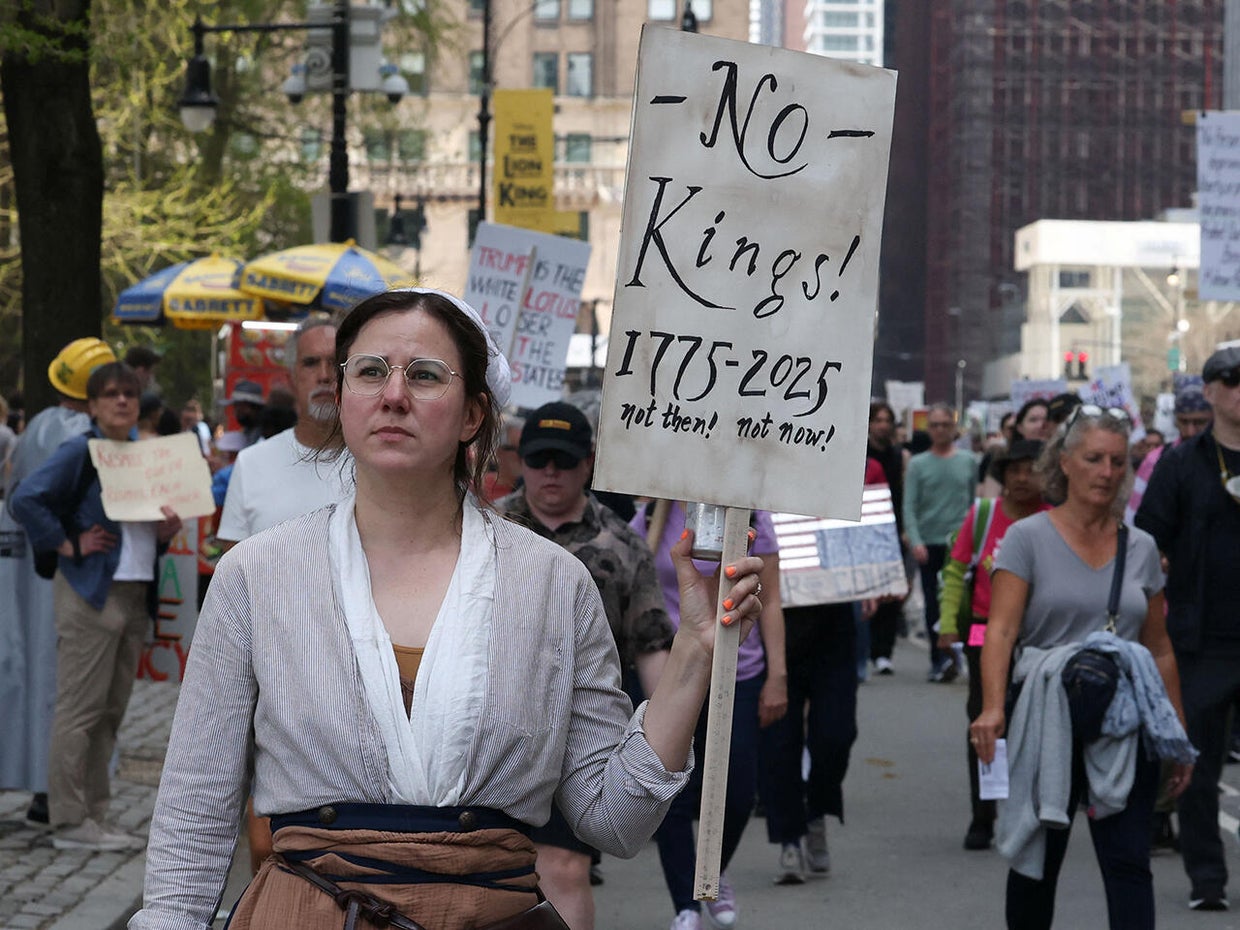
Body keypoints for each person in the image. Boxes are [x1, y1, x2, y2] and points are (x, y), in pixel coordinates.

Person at [130, 287, 764, 930]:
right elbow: (196, 813)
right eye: (370, 372)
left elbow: (615, 820)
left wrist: (695, 651)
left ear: (472, 415)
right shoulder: (258, 576)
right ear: (343, 398)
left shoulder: (553, 584)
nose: (393, 394)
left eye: (426, 375)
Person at [972, 405, 1195, 930]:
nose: (1107, 472)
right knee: (1037, 861)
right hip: (1047, 715)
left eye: (1118, 461)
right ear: (1065, 462)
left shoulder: (1140, 548)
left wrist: (1177, 732)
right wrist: (992, 708)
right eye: (1094, 458)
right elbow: (1000, 632)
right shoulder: (1027, 538)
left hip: (1125, 723)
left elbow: (1159, 647)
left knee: (1128, 864)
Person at [497, 401, 675, 930]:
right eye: (539, 459)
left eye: (564, 461)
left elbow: (651, 645)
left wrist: (663, 735)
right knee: (493, 874)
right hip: (490, 731)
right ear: (519, 461)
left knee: (564, 868)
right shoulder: (482, 531)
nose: (551, 472)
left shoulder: (622, 546)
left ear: (589, 462)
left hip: (578, 735)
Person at [11, 361, 183, 852]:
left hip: (134, 591)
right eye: (110, 394)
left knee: (109, 713)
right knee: (79, 711)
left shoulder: (140, 456)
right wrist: (68, 544)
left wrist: (165, 533)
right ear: (93, 405)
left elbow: (141, 532)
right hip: (90, 591)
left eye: (129, 393)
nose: (122, 401)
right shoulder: (81, 451)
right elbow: (25, 499)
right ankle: (68, 821)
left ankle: (96, 816)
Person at [633, 500, 786, 929]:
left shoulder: (754, 513)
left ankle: (712, 869)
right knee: (670, 793)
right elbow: (633, 587)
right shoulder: (652, 513)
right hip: (673, 673)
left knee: (739, 791)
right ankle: (685, 901)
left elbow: (770, 600)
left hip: (741, 669)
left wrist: (779, 675)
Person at [1136, 345, 1240, 912]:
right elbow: (1149, 544)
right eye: (1231, 379)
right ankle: (1207, 880)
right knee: (1196, 767)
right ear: (1212, 390)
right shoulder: (1180, 464)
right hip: (1201, 640)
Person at [0, 337, 116, 829]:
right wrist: (71, 542)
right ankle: (63, 796)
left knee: (43, 681)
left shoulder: (38, 428)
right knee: (75, 690)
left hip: (35, 571)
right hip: (74, 574)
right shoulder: (81, 434)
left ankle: (43, 788)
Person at [937, 439, 1049, 851]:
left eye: (1031, 468)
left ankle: (1030, 808)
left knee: (1035, 725)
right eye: (1014, 469)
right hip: (984, 630)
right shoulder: (983, 515)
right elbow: (955, 571)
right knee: (984, 719)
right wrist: (948, 625)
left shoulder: (1054, 520)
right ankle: (983, 816)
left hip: (1038, 636)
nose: (1022, 477)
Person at [217, 318, 346, 551]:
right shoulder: (251, 463)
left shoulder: (380, 465)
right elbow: (233, 574)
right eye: (310, 363)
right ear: (291, 380)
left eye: (336, 363)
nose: (325, 375)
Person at [903, 403, 977, 681]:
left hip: (960, 542)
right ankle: (939, 660)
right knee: (934, 603)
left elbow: (973, 504)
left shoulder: (969, 461)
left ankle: (969, 655)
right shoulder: (918, 464)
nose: (940, 430)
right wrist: (916, 541)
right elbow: (909, 506)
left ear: (954, 428)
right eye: (934, 425)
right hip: (928, 543)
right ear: (928, 429)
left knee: (963, 602)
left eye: (945, 424)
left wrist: (974, 539)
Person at [866, 401, 907, 674]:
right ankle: (866, 648)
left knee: (890, 593)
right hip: (865, 528)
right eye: (877, 420)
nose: (882, 425)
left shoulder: (899, 456)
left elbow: (904, 495)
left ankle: (884, 652)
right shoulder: (861, 454)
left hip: (892, 528)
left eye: (886, 420)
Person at [482, 412, 524, 502]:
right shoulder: (475, 489)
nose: (523, 455)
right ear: (499, 451)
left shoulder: (536, 490)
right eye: (517, 449)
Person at [223, 379, 266, 448]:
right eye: (235, 406)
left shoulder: (265, 432)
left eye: (241, 407)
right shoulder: (249, 429)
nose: (237, 411)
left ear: (254, 407)